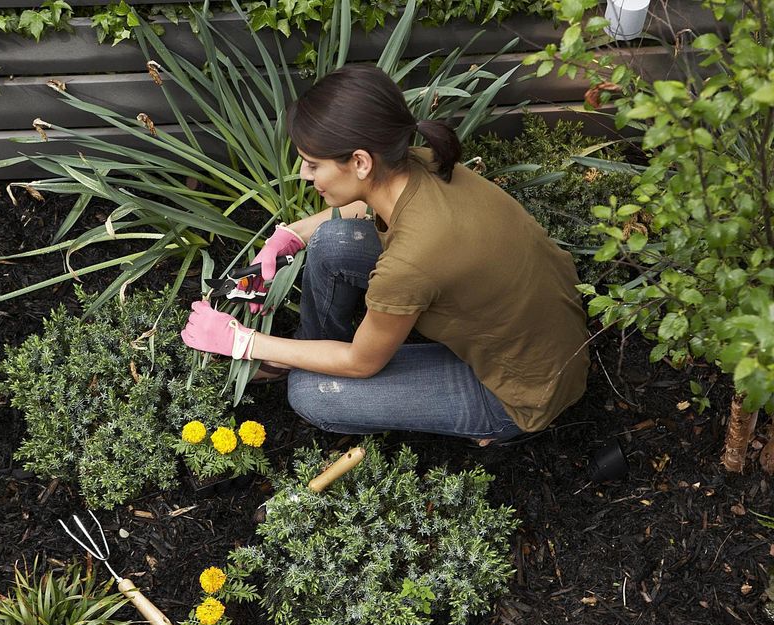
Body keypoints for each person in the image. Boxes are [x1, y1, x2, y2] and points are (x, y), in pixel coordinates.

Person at [181, 64, 590, 443]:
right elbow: (368, 204)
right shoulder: (418, 163)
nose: (305, 175)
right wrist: (290, 235)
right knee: (331, 241)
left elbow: (363, 363)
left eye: (312, 164)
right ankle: (312, 350)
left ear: (360, 161)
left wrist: (245, 342)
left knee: (310, 392)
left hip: (520, 391)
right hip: (544, 329)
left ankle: (495, 428)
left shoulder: (411, 262)